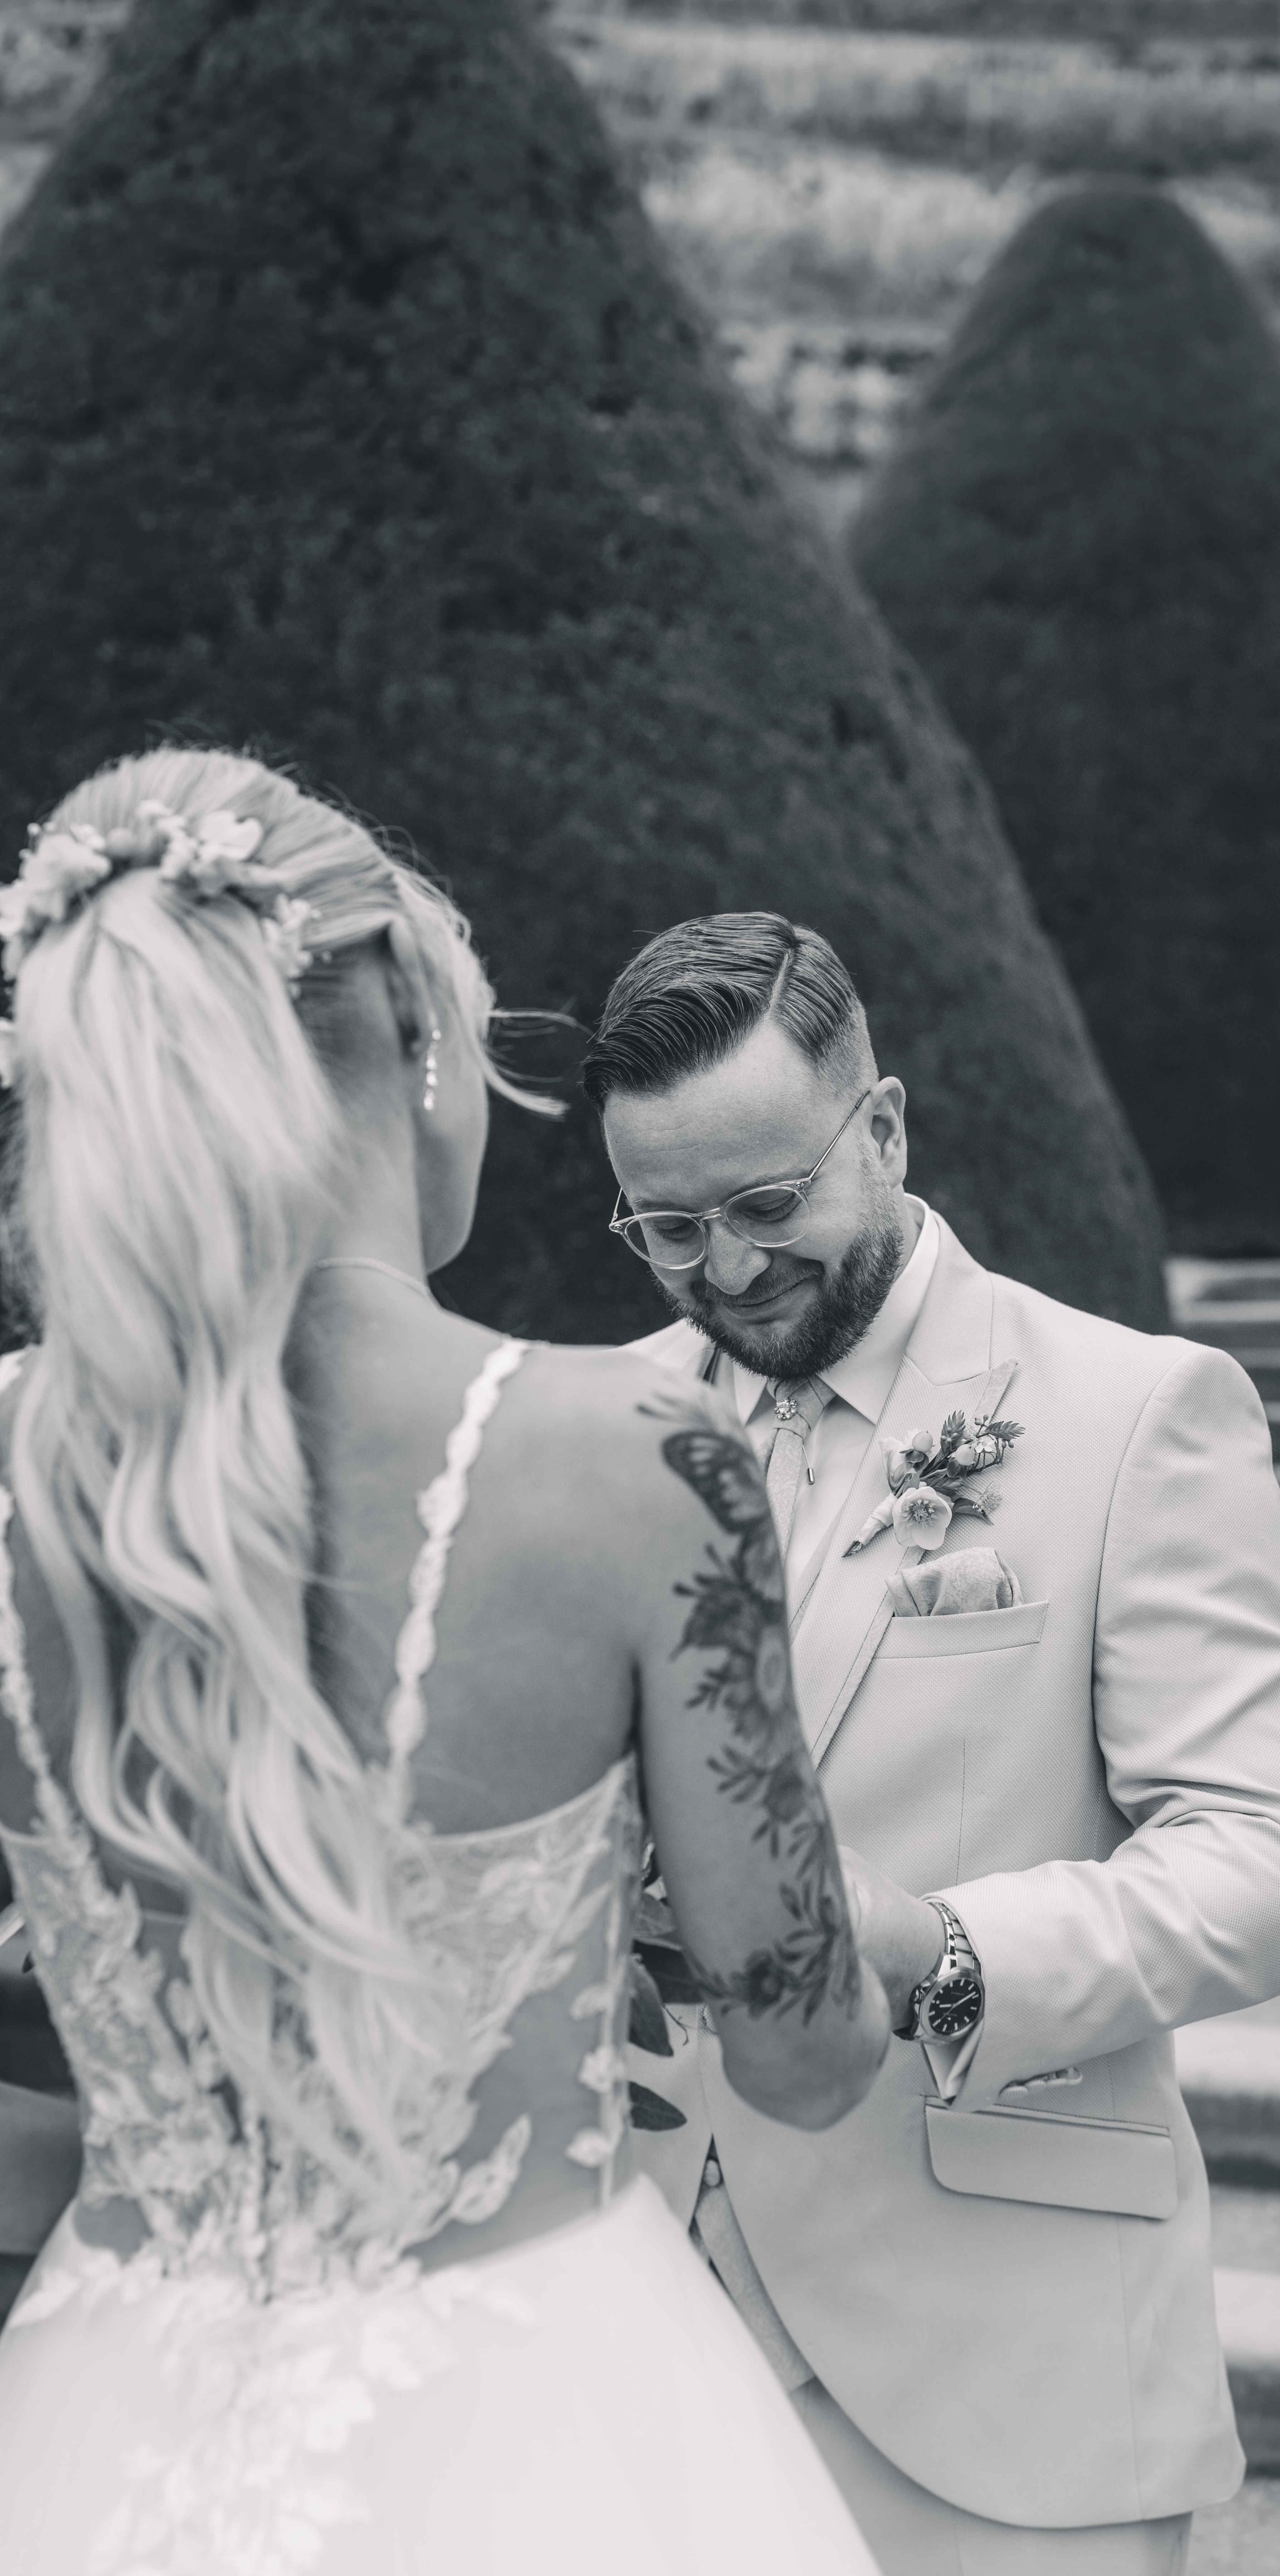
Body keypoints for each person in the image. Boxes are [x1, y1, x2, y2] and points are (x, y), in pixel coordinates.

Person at [0, 754, 890, 2576]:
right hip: (537, 2425)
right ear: (417, 1035)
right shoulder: (636, 1465)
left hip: (96, 2416)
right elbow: (803, 2056)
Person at [593, 912, 1280, 2576]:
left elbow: (1276, 1864)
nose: (722, 1271)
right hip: (639, 2328)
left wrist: (941, 1957)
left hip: (1006, 2364)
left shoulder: (1140, 1412)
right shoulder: (595, 1430)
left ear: (884, 1127)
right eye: (665, 1229)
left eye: (768, 1207)